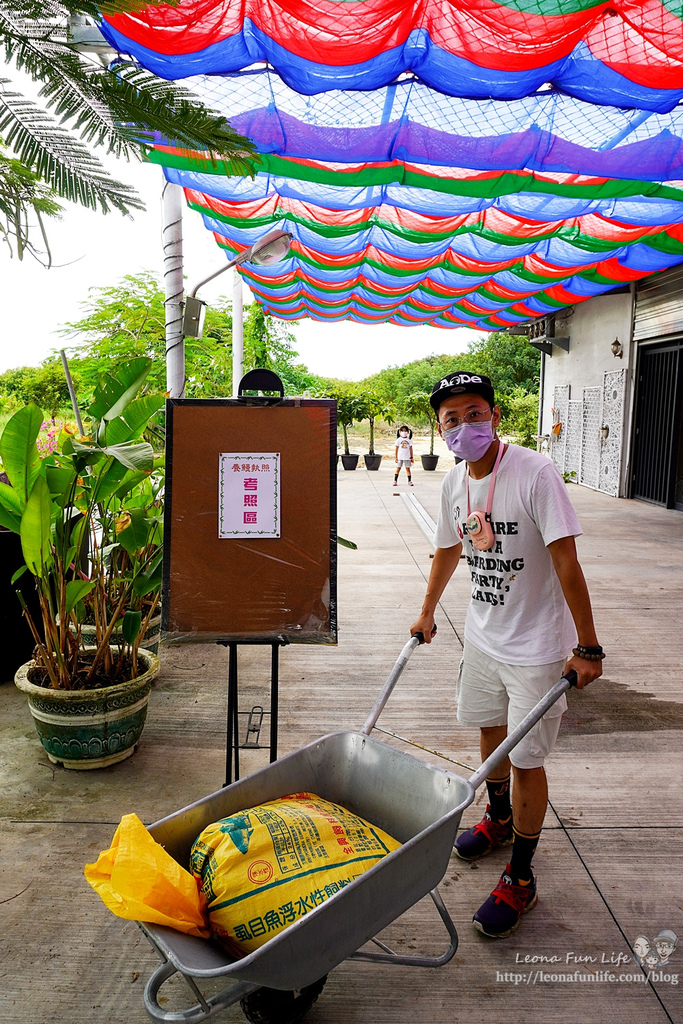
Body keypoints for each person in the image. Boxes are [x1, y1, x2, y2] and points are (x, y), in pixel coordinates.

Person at [410, 371, 603, 939]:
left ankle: (521, 878)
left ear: (493, 415)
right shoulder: (453, 484)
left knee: (526, 760)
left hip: (537, 650)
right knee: (490, 733)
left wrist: (587, 647)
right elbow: (447, 550)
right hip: (485, 639)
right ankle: (497, 818)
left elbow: (567, 562)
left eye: (474, 414)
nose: (464, 426)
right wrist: (427, 612)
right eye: (451, 419)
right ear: (439, 430)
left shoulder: (534, 472)